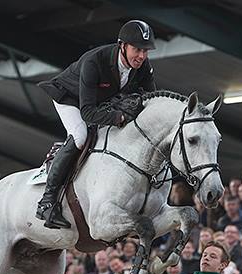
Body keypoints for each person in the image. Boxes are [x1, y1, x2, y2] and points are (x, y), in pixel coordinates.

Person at [35, 20, 157, 229]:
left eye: (145, 51)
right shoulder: (95, 61)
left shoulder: (142, 65)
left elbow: (151, 99)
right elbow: (88, 112)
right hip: (69, 99)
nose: (142, 56)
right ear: (122, 45)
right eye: (137, 49)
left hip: (100, 102)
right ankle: (47, 201)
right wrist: (117, 117)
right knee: (81, 136)